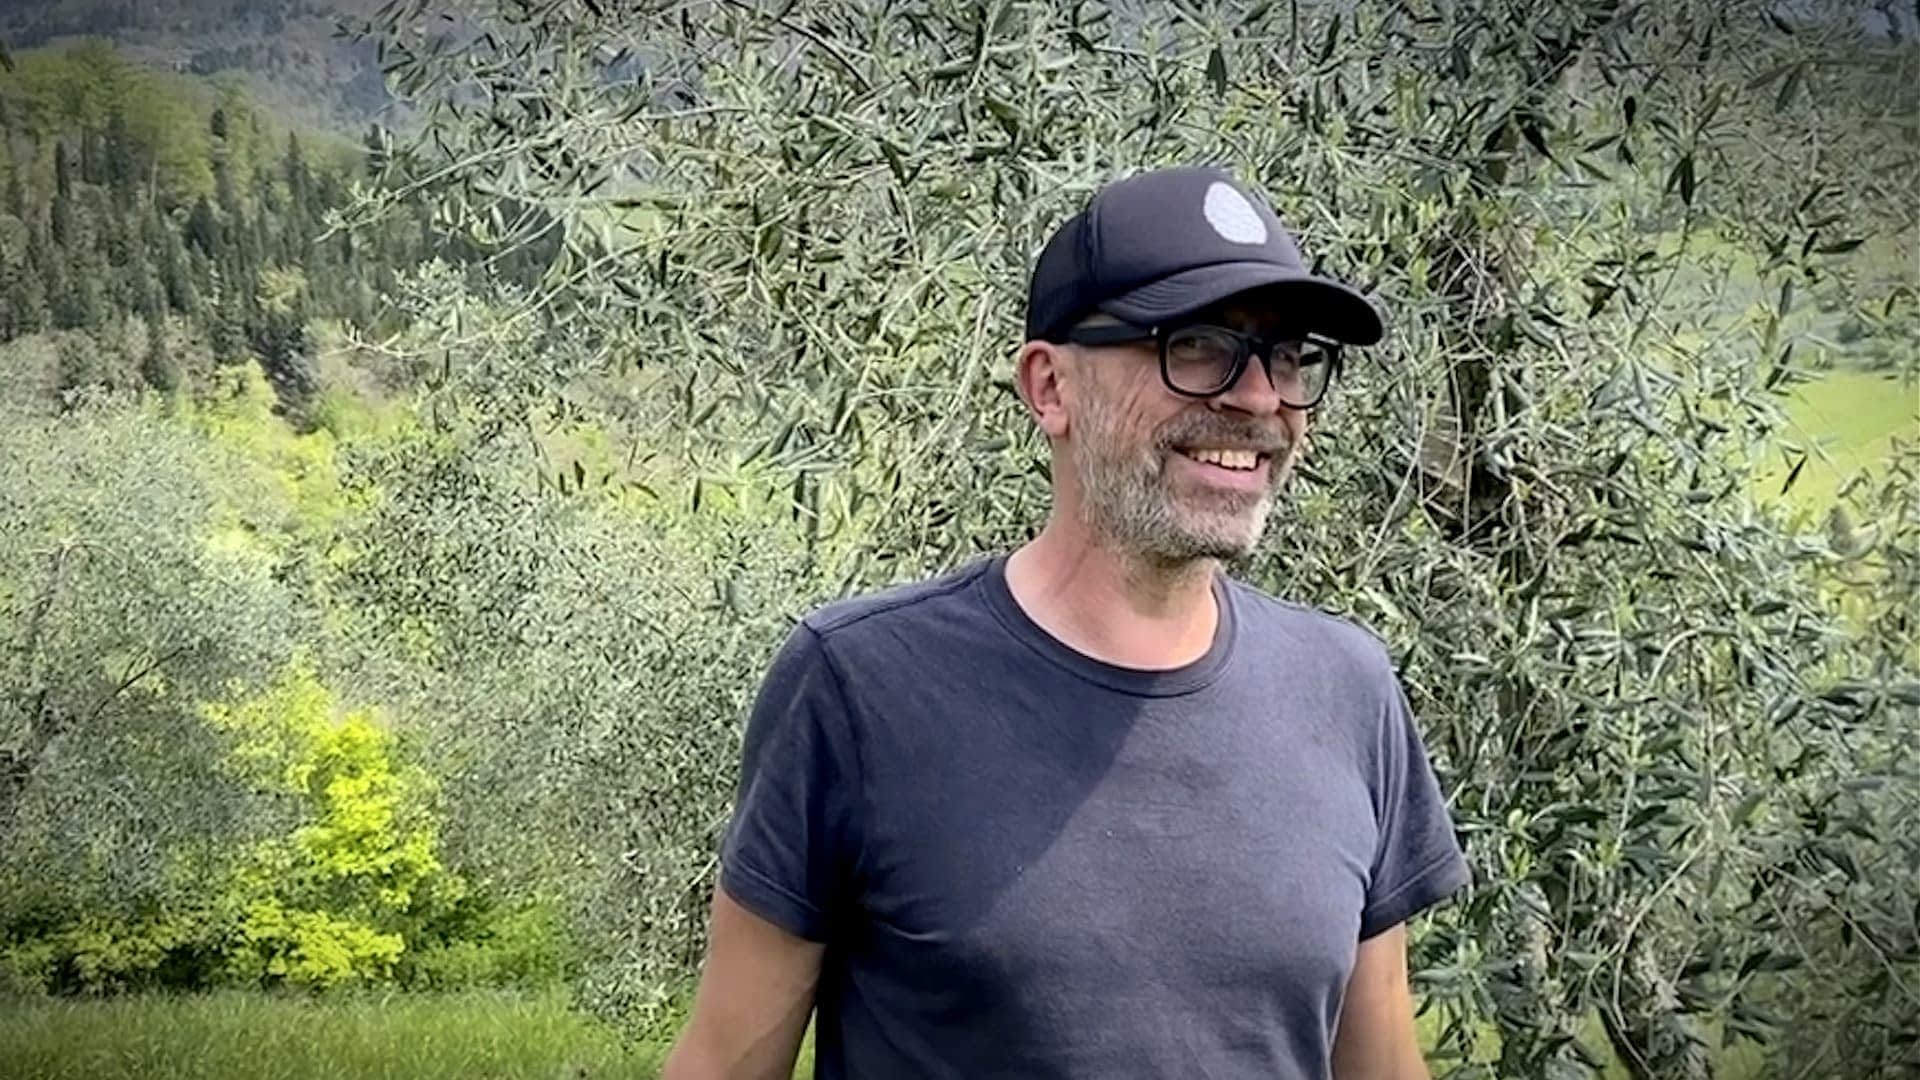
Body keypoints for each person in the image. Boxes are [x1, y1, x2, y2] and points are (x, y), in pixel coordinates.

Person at [663, 165, 1470, 1079]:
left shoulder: (1346, 688)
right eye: (1197, 346)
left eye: (1288, 357)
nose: (1257, 400)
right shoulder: (859, 685)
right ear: (1050, 388)